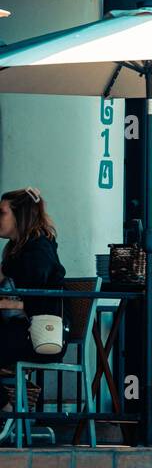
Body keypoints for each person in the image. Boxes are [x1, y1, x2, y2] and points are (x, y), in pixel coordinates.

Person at [0, 188, 66, 441]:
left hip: (38, 335)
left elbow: (37, 302)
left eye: (2, 212)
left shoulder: (39, 250)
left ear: (20, 215)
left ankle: (5, 411)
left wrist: (7, 303)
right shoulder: (15, 251)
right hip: (15, 331)